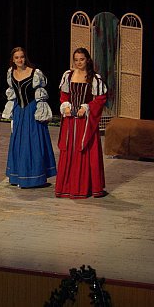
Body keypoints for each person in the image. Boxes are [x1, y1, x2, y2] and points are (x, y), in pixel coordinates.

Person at [55, 47, 108, 199]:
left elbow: (100, 99)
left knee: (84, 151)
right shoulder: (68, 75)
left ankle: (85, 187)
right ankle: (67, 187)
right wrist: (65, 106)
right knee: (69, 150)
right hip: (70, 121)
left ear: (88, 60)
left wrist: (86, 107)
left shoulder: (94, 78)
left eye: (82, 59)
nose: (79, 62)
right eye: (76, 60)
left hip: (85, 123)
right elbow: (64, 95)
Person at [2, 47, 56, 188]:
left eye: (22, 57)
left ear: (25, 58)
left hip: (32, 111)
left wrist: (40, 111)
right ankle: (17, 175)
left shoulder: (34, 73)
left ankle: (35, 178)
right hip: (19, 111)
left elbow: (40, 93)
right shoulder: (11, 73)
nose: (20, 60)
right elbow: (13, 93)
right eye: (17, 57)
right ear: (13, 60)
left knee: (33, 143)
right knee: (19, 143)